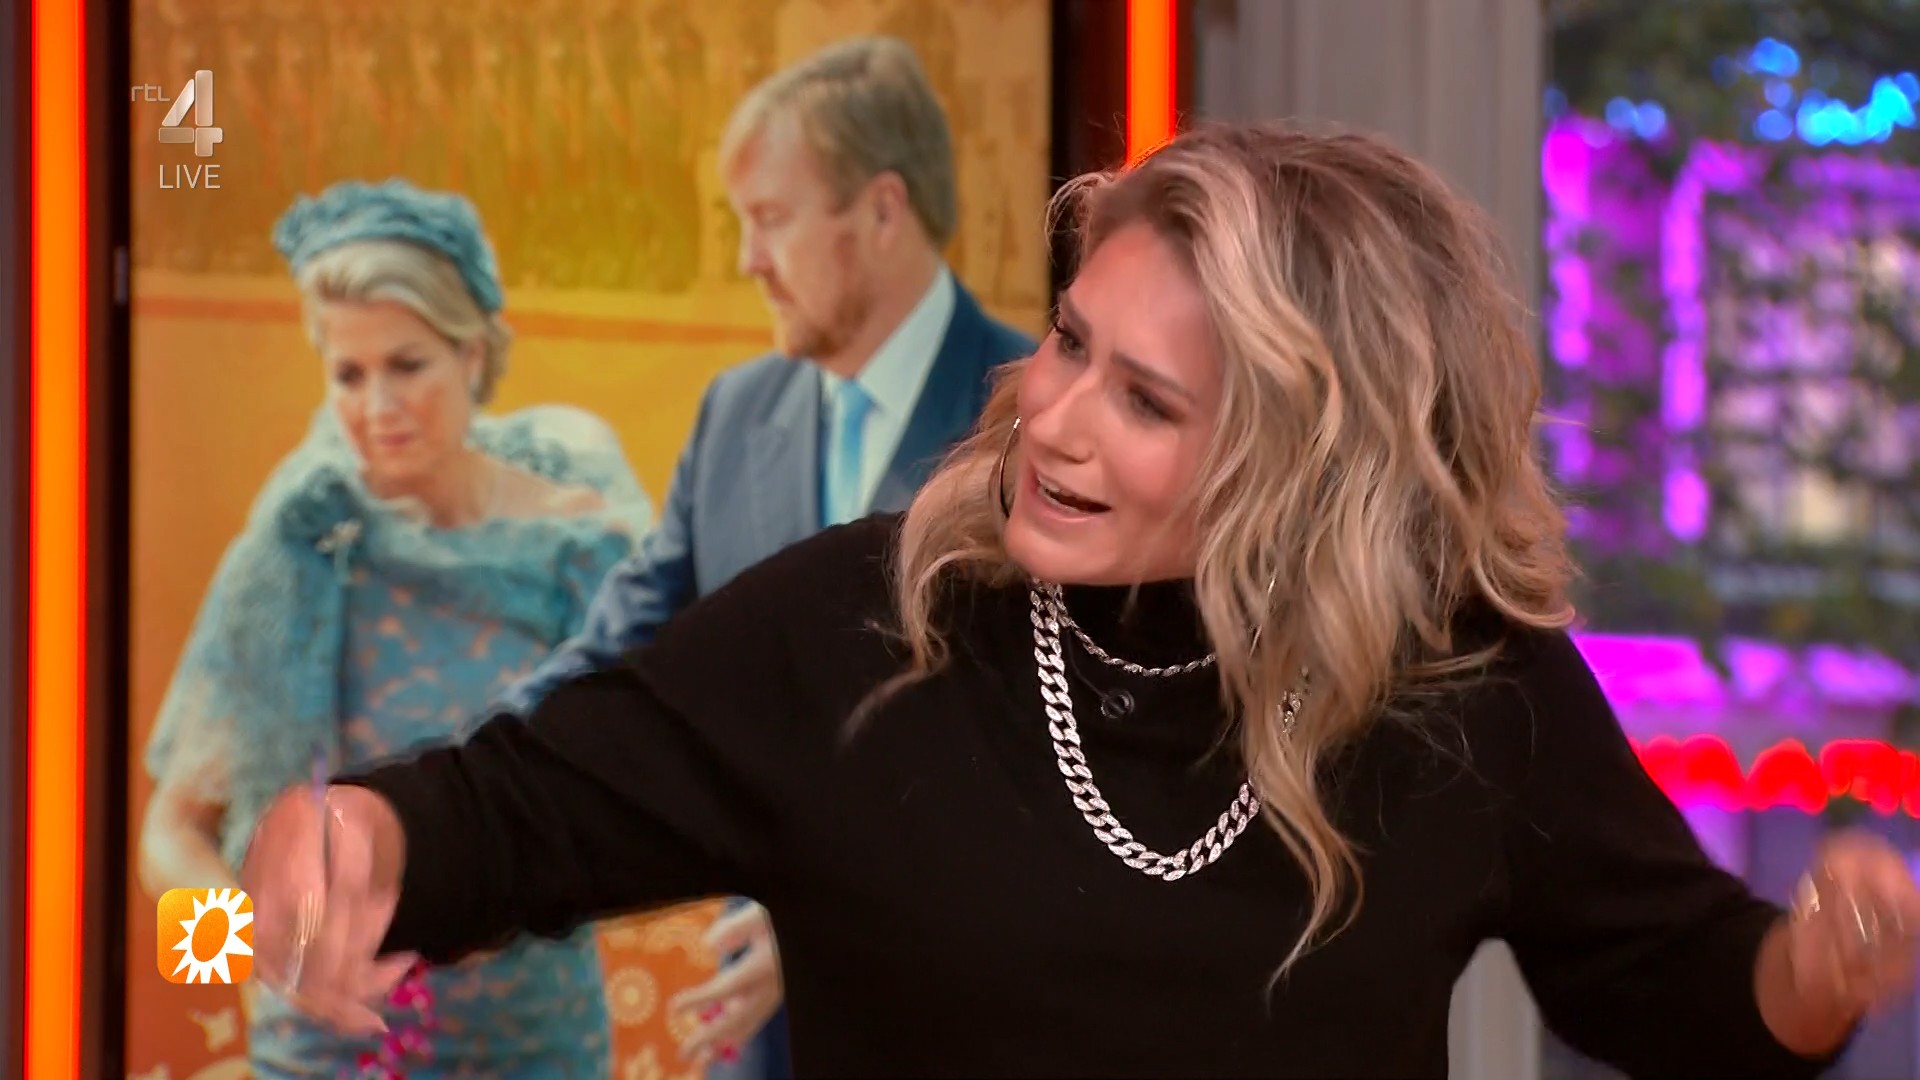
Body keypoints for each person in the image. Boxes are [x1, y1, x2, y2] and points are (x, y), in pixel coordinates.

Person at [240, 124, 1920, 1079]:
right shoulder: (857, 632)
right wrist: (358, 837)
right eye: (1071, 343)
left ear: (1303, 464)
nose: (1051, 420)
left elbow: (1689, 992)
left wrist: (1816, 963)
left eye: (1148, 403)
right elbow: (510, 817)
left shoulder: (1459, 689)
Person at [490, 34, 1034, 1078]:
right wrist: (435, 807)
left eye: (771, 219)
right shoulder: (735, 416)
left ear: (882, 212)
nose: (746, 259)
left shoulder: (1036, 422)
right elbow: (622, 661)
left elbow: (1051, 774)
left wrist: (835, 918)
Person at [139, 178, 653, 1079]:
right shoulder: (294, 553)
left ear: (473, 353)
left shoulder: (579, 548)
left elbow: (646, 808)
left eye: (407, 365)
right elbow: (167, 837)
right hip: (319, 1060)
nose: (378, 405)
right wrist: (254, 946)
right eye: (349, 374)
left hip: (539, 1053)